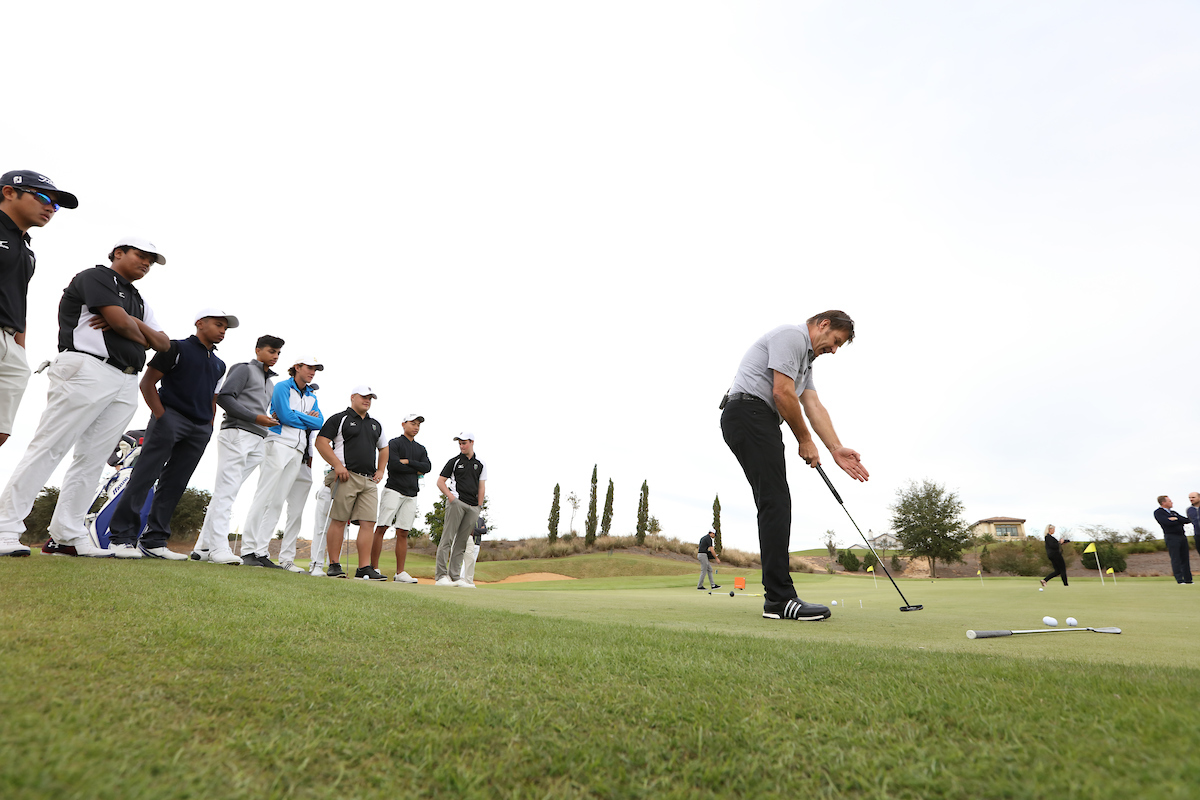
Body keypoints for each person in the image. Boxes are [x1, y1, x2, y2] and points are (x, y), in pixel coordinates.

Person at [0, 237, 170, 558]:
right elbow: (119, 323)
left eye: (151, 260)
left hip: (125, 378)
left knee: (92, 460)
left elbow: (163, 344)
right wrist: (130, 327)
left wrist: (132, 322)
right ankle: (5, 528)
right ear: (118, 253)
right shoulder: (96, 277)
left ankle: (66, 535)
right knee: (50, 447)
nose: (146, 263)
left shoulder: (138, 299)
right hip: (86, 367)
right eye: (141, 255)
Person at [720, 311, 867, 620]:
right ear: (823, 324)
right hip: (749, 413)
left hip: (757, 418)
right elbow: (781, 392)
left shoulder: (806, 362)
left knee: (774, 501)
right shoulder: (791, 336)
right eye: (835, 341)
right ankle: (778, 599)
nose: (834, 350)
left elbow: (812, 405)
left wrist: (835, 449)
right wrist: (805, 439)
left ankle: (778, 597)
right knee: (775, 502)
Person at [106, 309, 235, 559]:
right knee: (144, 476)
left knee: (175, 484)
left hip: (199, 429)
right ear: (200, 323)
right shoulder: (175, 348)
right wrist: (161, 416)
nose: (222, 331)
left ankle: (154, 541)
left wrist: (208, 426)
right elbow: (147, 383)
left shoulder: (219, 364)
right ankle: (121, 538)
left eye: (225, 328)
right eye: (218, 325)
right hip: (170, 418)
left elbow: (213, 398)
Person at [0, 170, 78, 452]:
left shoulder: (27, 248)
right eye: (43, 198)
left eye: (55, 205)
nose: (51, 208)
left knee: (1, 431)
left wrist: (20, 348)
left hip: (11, 344)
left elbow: (18, 298)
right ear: (9, 192)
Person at [190, 335, 283, 565]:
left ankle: (203, 547)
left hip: (258, 439)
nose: (275, 356)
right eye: (271, 351)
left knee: (226, 491)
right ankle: (219, 548)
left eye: (278, 353)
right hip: (237, 434)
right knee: (227, 492)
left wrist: (266, 418)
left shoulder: (270, 384)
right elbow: (224, 398)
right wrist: (256, 417)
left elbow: (253, 407)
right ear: (258, 350)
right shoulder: (243, 369)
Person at [240, 356, 324, 571]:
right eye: (309, 367)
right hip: (277, 443)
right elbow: (284, 417)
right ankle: (248, 550)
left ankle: (261, 552)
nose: (312, 372)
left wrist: (297, 416)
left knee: (277, 502)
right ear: (297, 367)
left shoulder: (311, 395)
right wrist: (304, 418)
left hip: (297, 450)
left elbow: (319, 422)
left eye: (315, 369)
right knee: (264, 497)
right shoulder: (282, 387)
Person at [315, 386, 388, 580]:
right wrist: (337, 465)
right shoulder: (340, 419)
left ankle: (364, 568)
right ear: (353, 397)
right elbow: (321, 442)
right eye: (363, 397)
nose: (367, 400)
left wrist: (381, 470)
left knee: (368, 522)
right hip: (346, 476)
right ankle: (334, 564)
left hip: (369, 480)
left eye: (370, 398)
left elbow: (384, 448)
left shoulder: (375, 424)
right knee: (339, 520)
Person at [374, 413, 429, 583]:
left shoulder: (421, 448)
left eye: (418, 424)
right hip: (393, 490)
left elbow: (427, 467)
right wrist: (414, 468)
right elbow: (394, 466)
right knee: (382, 527)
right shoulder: (394, 443)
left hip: (411, 493)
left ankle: (400, 573)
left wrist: (408, 462)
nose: (416, 427)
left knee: (403, 532)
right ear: (403, 424)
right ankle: (373, 568)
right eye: (413, 423)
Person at [434, 431, 486, 588]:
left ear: (472, 442)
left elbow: (481, 486)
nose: (462, 446)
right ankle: (441, 576)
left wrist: (479, 506)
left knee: (462, 542)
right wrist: (451, 498)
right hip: (457, 503)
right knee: (447, 538)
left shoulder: (480, 464)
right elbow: (440, 482)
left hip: (473, 507)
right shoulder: (454, 461)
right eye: (460, 443)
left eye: (464, 443)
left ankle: (454, 576)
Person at [1154, 495, 1193, 585]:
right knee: (1176, 558)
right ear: (1163, 503)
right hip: (1171, 537)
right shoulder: (1159, 512)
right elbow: (1167, 522)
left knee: (1185, 558)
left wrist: (1176, 519)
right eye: (1169, 501)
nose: (1172, 503)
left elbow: (1187, 520)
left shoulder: (1174, 513)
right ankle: (1180, 580)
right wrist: (1178, 521)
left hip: (1182, 536)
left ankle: (1188, 580)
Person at [1039, 524, 1068, 588]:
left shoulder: (1050, 537)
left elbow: (1056, 544)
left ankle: (1045, 580)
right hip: (1055, 555)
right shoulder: (1048, 537)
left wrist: (1064, 541)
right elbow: (1053, 546)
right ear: (1050, 529)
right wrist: (1060, 543)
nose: (1054, 531)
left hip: (1052, 555)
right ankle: (1066, 585)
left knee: (1058, 571)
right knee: (1062, 569)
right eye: (1053, 529)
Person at [1188, 492, 1200, 560]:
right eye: (1189, 498)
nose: (1191, 499)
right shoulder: (1189, 510)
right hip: (1198, 535)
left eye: (1193, 497)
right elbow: (1191, 520)